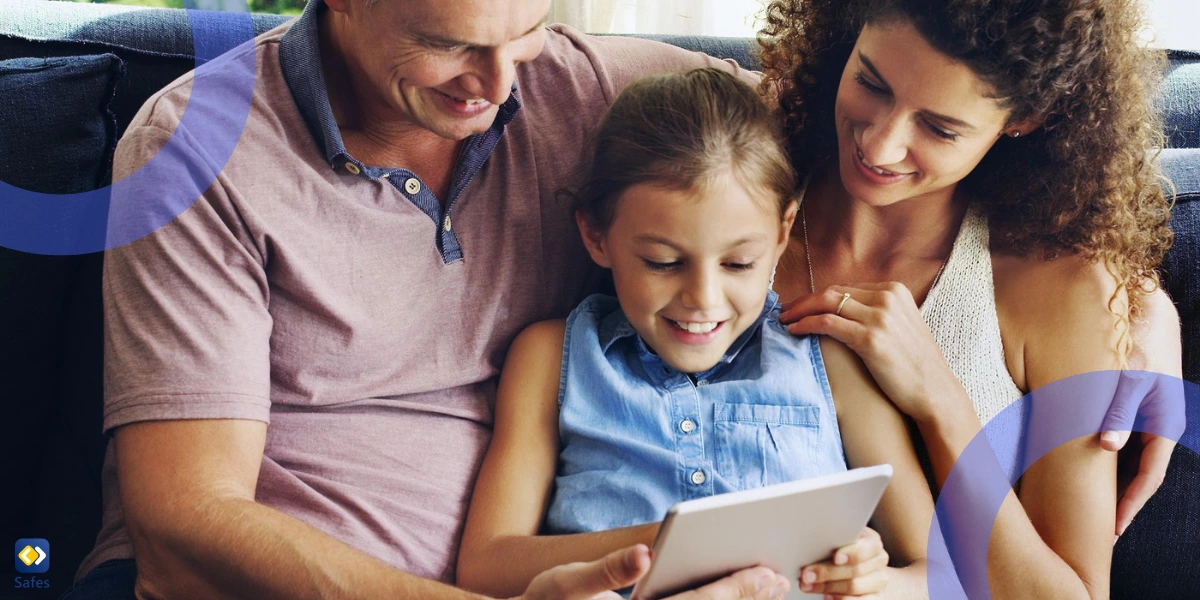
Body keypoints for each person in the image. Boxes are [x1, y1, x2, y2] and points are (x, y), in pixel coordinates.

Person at [63, 0, 796, 598]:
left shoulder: (588, 93)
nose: (499, 84)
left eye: (525, 35)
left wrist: (912, 374)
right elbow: (184, 528)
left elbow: (840, 132)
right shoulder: (196, 150)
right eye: (450, 45)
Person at [758, 0, 1183, 597]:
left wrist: (939, 397)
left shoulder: (1058, 288)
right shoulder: (738, 178)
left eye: (939, 128)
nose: (879, 145)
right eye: (870, 83)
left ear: (1025, 119)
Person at [455, 68, 933, 599]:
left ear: (779, 236)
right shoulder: (552, 358)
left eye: (738, 263)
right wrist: (680, 544)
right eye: (662, 262)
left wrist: (875, 580)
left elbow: (942, 575)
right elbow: (486, 564)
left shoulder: (831, 362)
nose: (703, 299)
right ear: (596, 236)